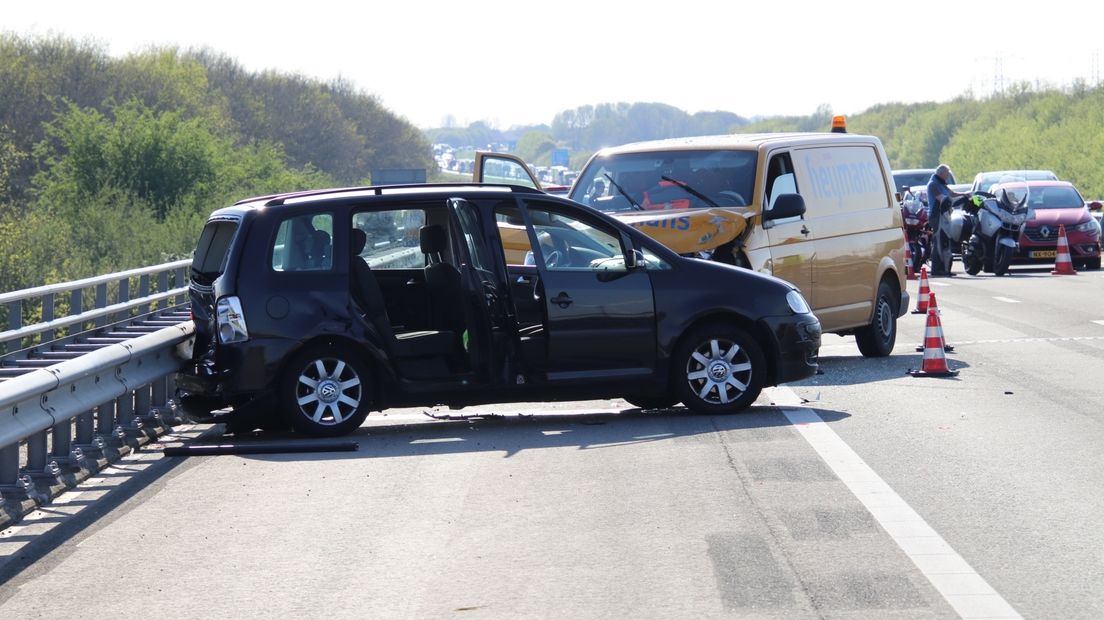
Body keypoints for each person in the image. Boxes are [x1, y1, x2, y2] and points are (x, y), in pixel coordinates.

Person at [926, 164, 967, 276]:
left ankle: (945, 268)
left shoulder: (941, 183)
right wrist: (954, 201)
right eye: (947, 174)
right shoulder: (933, 184)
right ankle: (937, 269)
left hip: (944, 215)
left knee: (944, 242)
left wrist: (964, 195)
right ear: (941, 173)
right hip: (937, 215)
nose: (948, 176)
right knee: (938, 241)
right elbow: (942, 198)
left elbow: (952, 194)